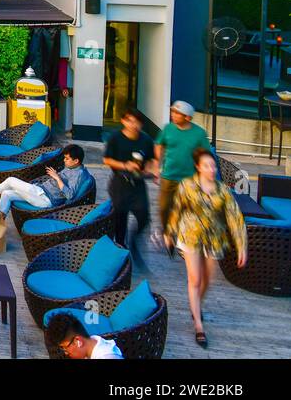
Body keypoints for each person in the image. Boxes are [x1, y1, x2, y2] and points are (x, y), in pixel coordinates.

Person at [164, 148, 247, 348]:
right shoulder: (187, 185)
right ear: (198, 167)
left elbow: (235, 218)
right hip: (190, 236)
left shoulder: (222, 190)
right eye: (206, 165)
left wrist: (242, 245)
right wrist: (169, 232)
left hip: (214, 239)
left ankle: (196, 304)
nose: (211, 169)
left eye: (213, 165)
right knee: (195, 278)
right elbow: (176, 209)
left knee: (207, 280)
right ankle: (199, 326)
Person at [0, 144, 93, 251]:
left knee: (11, 180)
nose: (64, 160)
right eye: (64, 158)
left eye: (67, 159)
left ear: (76, 161)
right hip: (39, 191)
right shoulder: (71, 167)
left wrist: (57, 177)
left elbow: (70, 195)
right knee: (7, 194)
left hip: (45, 199)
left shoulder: (79, 174)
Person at [155, 100, 213, 252]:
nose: (173, 115)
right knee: (163, 208)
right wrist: (157, 165)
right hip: (169, 176)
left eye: (177, 113)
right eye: (172, 112)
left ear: (188, 118)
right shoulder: (168, 129)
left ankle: (180, 238)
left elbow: (205, 154)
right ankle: (168, 232)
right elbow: (159, 145)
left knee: (186, 210)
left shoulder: (199, 133)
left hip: (189, 180)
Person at [103, 109, 155, 268]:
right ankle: (121, 254)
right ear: (123, 121)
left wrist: (148, 169)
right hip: (120, 182)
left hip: (138, 183)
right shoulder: (115, 137)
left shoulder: (145, 139)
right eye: (130, 121)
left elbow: (151, 160)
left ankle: (134, 240)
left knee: (144, 217)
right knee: (120, 220)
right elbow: (106, 160)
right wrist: (125, 165)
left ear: (141, 124)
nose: (133, 125)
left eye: (137, 122)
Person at [43, 311, 124, 359]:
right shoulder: (92, 343)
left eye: (65, 348)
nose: (66, 353)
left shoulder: (107, 357)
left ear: (78, 341)